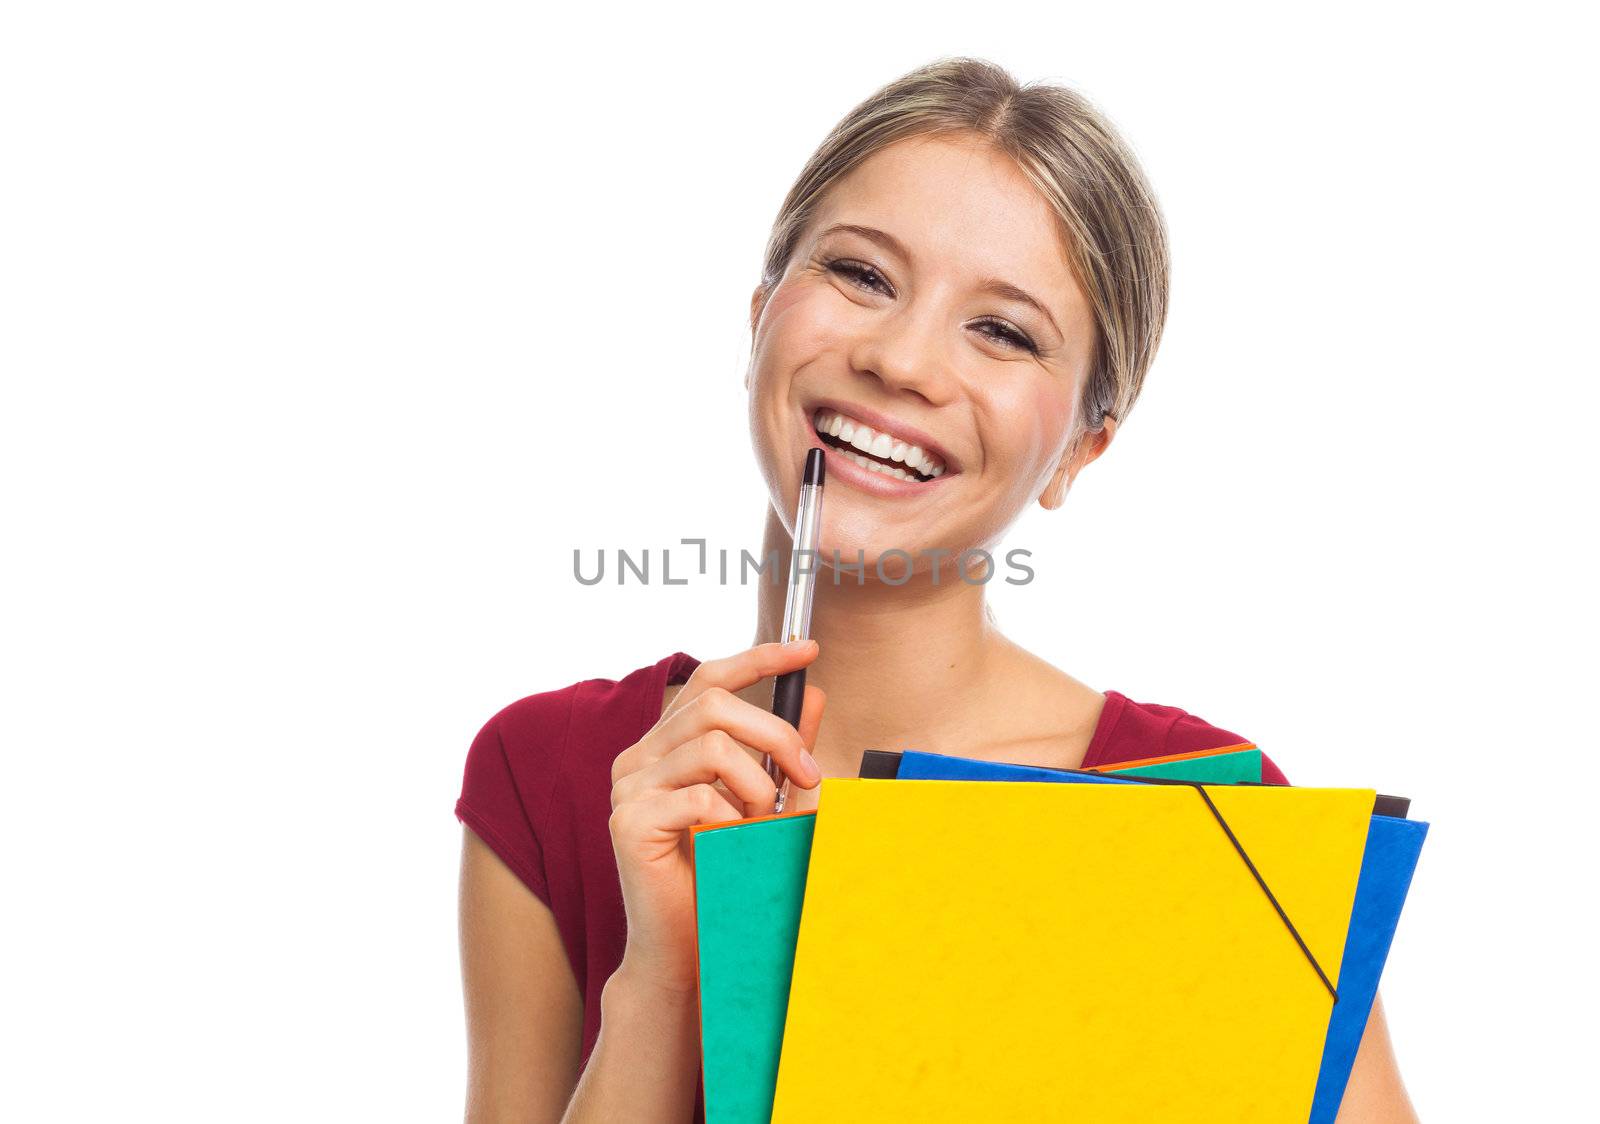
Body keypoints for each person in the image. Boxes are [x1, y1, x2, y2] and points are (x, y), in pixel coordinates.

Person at [455, 57, 1419, 1123]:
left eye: (1003, 330)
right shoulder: (549, 775)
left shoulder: (1212, 825)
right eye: (862, 274)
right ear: (760, 312)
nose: (903, 360)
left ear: (1079, 452)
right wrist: (665, 979)